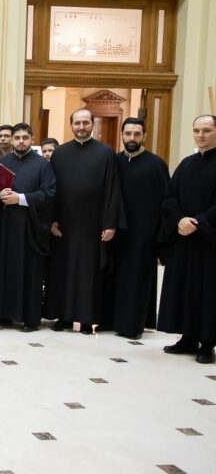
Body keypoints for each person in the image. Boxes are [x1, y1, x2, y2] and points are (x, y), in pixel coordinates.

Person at [46, 108, 124, 334]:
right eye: (77, 123)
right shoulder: (60, 153)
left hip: (93, 224)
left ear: (92, 124)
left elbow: (112, 190)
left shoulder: (106, 153)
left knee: (88, 273)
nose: (81, 127)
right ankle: (63, 317)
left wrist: (110, 223)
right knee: (63, 271)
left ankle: (87, 319)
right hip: (65, 224)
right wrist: (52, 219)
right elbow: (53, 189)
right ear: (71, 125)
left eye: (85, 123)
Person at [0, 123, 56, 332]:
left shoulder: (42, 165)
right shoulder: (0, 163)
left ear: (31, 139)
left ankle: (28, 318)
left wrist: (21, 198)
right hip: (3, 228)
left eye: (25, 137)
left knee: (28, 272)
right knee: (0, 270)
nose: (21, 141)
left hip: (28, 229)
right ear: (12, 140)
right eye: (17, 138)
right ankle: (0, 314)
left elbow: (49, 193)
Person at [158, 114, 216, 364]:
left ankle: (208, 343)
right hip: (184, 238)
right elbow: (170, 196)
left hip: (210, 241)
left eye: (206, 130)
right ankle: (188, 337)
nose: (200, 135)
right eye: (197, 131)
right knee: (185, 289)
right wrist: (180, 219)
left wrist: (199, 222)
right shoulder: (187, 164)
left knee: (208, 292)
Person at [108, 118, 168, 339]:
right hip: (115, 232)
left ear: (144, 136)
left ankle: (132, 325)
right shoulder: (114, 162)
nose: (131, 139)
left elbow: (165, 203)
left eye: (136, 134)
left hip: (143, 234)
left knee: (136, 278)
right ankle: (110, 320)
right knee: (112, 276)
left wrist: (159, 237)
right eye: (128, 134)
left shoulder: (156, 165)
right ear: (121, 135)